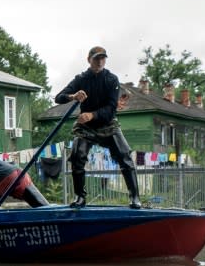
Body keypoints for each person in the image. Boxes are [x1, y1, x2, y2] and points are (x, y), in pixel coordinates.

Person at [54, 46, 141, 209]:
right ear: (89, 60)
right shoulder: (80, 79)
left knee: (125, 156)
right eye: (96, 58)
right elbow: (58, 98)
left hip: (108, 123)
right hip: (86, 127)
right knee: (77, 156)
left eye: (103, 58)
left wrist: (92, 115)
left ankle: (134, 197)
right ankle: (80, 196)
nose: (100, 61)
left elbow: (111, 109)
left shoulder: (111, 79)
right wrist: (73, 96)